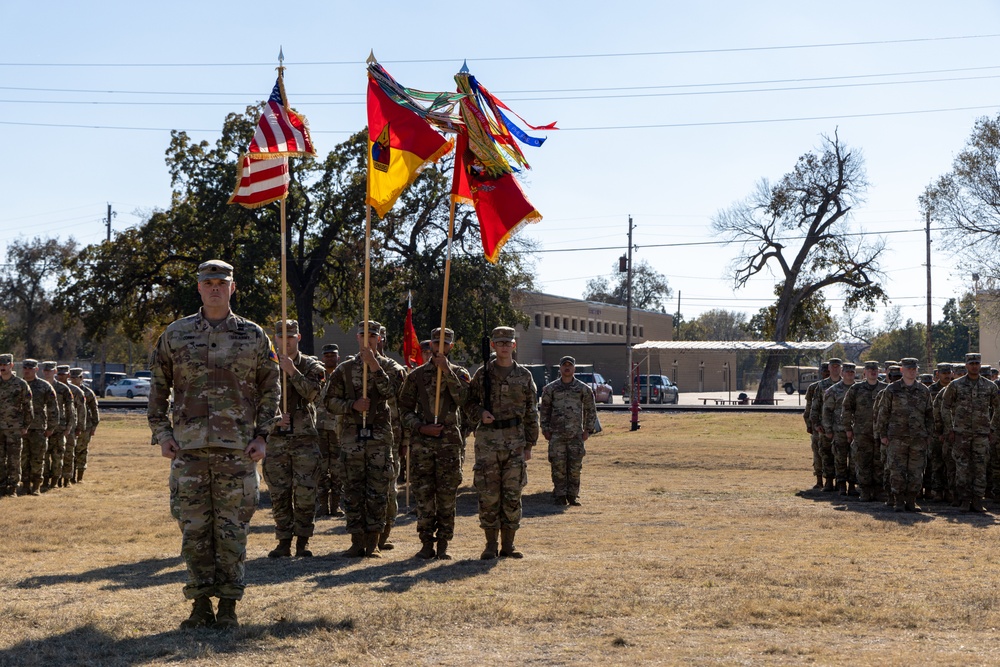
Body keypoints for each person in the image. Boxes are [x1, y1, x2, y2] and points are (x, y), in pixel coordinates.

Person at [148, 259, 280, 629]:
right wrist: (162, 433)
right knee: (194, 530)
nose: (216, 288)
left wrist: (263, 435)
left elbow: (272, 387)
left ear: (233, 287)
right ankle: (200, 604)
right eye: (209, 283)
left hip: (238, 450)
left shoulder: (253, 336)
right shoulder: (175, 334)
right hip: (188, 450)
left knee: (233, 529)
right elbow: (158, 386)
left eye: (222, 282)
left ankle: (229, 606)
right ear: (199, 288)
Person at [322, 320, 405, 558]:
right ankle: (357, 541)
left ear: (379, 339)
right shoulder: (344, 370)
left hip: (379, 439)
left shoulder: (391, 367)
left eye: (372, 336)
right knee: (353, 490)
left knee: (378, 491)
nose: (367, 339)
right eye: (362, 335)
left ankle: (374, 542)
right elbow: (329, 402)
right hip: (352, 439)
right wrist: (352, 405)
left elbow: (394, 393)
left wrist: (375, 367)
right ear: (357, 338)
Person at [466, 326, 539, 559]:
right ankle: (490, 545)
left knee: (512, 493)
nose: (504, 346)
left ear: (514, 345)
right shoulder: (483, 374)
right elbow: (468, 403)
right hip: (488, 442)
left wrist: (529, 444)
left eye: (508, 342)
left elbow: (531, 411)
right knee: (488, 494)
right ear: (493, 346)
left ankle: (509, 545)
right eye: (500, 343)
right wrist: (480, 414)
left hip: (515, 441)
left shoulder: (525, 376)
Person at [398, 327, 470, 559]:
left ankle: (443, 544)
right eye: (436, 343)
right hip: (422, 445)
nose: (440, 347)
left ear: (450, 347)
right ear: (430, 346)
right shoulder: (416, 376)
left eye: (445, 344)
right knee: (424, 495)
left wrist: (446, 371)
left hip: (449, 445)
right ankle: (426, 542)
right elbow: (404, 410)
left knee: (447, 496)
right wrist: (420, 426)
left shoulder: (460, 374)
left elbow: (465, 399)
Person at [262, 319, 325, 559]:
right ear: (275, 338)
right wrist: (274, 420)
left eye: (291, 336)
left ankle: (303, 540)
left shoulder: (311, 366)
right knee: (279, 492)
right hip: (276, 439)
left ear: (298, 338)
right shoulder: (265, 366)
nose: (286, 341)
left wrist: (292, 371)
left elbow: (313, 393)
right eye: (281, 337)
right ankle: (283, 541)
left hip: (304, 440)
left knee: (305, 491)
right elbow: (254, 401)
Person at [940, 352, 1000, 512]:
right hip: (961, 434)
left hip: (982, 434)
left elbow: (998, 407)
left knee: (980, 468)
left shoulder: (990, 386)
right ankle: (964, 500)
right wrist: (949, 428)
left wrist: (992, 428)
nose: (974, 366)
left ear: (980, 365)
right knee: (962, 468)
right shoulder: (956, 385)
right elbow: (945, 407)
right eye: (971, 363)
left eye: (977, 363)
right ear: (966, 365)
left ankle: (977, 500)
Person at [876, 358, 933, 512]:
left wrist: (928, 435)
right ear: (902, 370)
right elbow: (883, 413)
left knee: (916, 471)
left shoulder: (923, 390)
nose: (912, 371)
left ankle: (911, 500)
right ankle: (899, 500)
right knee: (897, 470)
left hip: (918, 438)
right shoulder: (892, 389)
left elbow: (929, 415)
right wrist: (883, 434)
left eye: (914, 368)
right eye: (908, 368)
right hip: (896, 438)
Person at [540, 355, 597, 506]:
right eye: (564, 365)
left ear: (574, 368)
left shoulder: (583, 389)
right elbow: (544, 410)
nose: (567, 368)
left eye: (570, 365)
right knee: (557, 466)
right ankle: (559, 495)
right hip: (556, 434)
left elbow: (590, 410)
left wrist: (588, 430)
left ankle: (572, 495)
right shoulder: (551, 389)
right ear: (560, 368)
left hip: (575, 434)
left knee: (575, 467)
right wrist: (545, 429)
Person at [376, 325, 407, 552]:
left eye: (378, 337)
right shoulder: (353, 366)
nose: (375, 341)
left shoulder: (393, 368)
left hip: (392, 437)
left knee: (388, 487)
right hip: (362, 437)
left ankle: (384, 533)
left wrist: (405, 439)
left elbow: (402, 404)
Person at [842, 361, 887, 501]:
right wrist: (848, 429)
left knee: (880, 462)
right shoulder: (856, 389)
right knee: (863, 462)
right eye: (869, 369)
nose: (873, 372)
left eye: (875, 369)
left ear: (878, 371)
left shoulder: (886, 389)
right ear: (864, 372)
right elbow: (847, 409)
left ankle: (879, 491)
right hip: (862, 432)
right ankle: (865, 491)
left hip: (880, 433)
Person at [315, 343, 344, 517]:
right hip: (319, 428)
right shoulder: (317, 375)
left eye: (332, 355)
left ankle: (336, 506)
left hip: (337, 428)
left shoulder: (342, 376)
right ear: (322, 358)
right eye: (327, 355)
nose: (329, 358)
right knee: (321, 467)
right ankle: (322, 506)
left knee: (337, 468)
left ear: (338, 357)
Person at [20, 359, 56, 495]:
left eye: (30, 368)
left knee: (38, 458)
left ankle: (36, 486)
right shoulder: (18, 384)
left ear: (36, 369)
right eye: (25, 368)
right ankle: (24, 485)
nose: (27, 370)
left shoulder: (44, 386)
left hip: (38, 428)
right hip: (20, 427)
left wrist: (51, 427)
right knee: (22, 458)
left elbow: (53, 407)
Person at [822, 361, 857, 496]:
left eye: (852, 372)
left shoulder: (859, 389)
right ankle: (841, 484)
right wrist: (828, 430)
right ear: (842, 373)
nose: (849, 374)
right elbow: (827, 411)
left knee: (854, 460)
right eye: (847, 372)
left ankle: (853, 485)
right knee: (840, 459)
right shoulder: (834, 390)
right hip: (839, 430)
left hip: (855, 431)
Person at [0, 354, 32, 497]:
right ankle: (1, 487)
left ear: (11, 365)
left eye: (6, 364)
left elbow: (28, 407)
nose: (3, 367)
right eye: (1, 364)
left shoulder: (20, 384)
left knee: (14, 459)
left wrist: (25, 425)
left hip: (14, 428)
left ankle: (12, 487)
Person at [809, 358, 842, 492]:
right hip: (825, 427)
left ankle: (841, 482)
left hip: (841, 427)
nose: (835, 369)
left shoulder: (848, 384)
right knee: (826, 454)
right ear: (828, 368)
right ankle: (828, 481)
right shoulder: (821, 386)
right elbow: (814, 407)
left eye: (837, 367)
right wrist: (816, 424)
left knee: (841, 456)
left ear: (841, 368)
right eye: (832, 367)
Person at [41, 361, 74, 491]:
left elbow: (70, 409)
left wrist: (68, 427)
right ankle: (44, 480)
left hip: (59, 428)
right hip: (42, 426)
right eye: (46, 370)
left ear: (55, 372)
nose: (47, 372)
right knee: (43, 456)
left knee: (57, 455)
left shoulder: (63, 389)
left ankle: (55, 481)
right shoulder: (40, 386)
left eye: (50, 370)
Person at [68, 368, 100, 483]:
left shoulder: (88, 392)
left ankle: (79, 476)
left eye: (77, 377)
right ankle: (70, 476)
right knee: (70, 451)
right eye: (72, 377)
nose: (74, 379)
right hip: (71, 426)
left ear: (81, 378)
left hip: (85, 427)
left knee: (81, 451)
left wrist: (94, 426)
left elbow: (94, 410)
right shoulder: (68, 390)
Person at [803, 362, 830, 490]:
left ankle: (832, 481)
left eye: (828, 371)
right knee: (818, 453)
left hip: (832, 426)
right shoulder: (814, 387)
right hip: (817, 426)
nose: (827, 374)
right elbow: (809, 408)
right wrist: (809, 424)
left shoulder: (839, 386)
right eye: (824, 372)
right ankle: (819, 479)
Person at [59, 365, 86, 486]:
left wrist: (80, 427)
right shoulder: (54, 388)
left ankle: (67, 479)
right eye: (59, 374)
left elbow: (81, 410)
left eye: (64, 374)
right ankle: (56, 479)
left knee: (69, 454)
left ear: (68, 375)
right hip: (56, 427)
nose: (61, 377)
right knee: (56, 454)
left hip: (70, 427)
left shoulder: (75, 391)